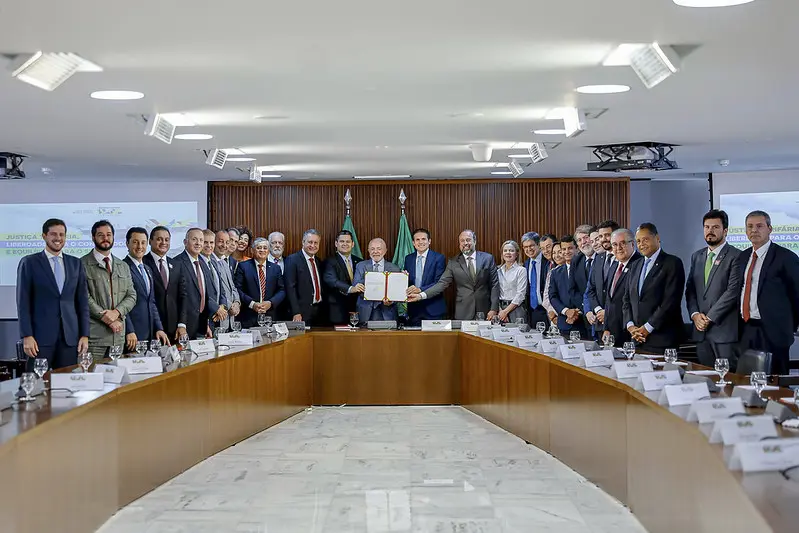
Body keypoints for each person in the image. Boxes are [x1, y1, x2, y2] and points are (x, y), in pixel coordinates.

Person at [16, 218, 89, 370]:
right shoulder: (29, 263)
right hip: (39, 339)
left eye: (62, 234)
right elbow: (23, 302)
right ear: (44, 236)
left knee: (66, 382)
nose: (58, 238)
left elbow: (82, 302)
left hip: (69, 338)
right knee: (36, 382)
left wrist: (84, 335)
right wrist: (27, 335)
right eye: (53, 234)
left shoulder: (76, 264)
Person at [735, 210, 799, 375]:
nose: (754, 230)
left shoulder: (786, 257)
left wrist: (790, 326)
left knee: (776, 381)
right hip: (747, 328)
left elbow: (796, 295)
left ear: (770, 229)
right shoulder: (743, 257)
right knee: (747, 379)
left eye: (759, 226)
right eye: (750, 226)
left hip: (774, 331)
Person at [685, 210, 742, 368]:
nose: (710, 231)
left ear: (725, 231)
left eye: (715, 227)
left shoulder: (736, 255)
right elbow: (690, 290)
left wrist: (709, 318)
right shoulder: (697, 256)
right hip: (700, 333)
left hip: (724, 333)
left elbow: (732, 292)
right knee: (707, 378)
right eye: (707, 227)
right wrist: (695, 315)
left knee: (728, 378)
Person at [623, 223, 686, 354]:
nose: (641, 244)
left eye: (645, 239)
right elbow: (627, 299)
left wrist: (647, 328)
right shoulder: (635, 265)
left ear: (657, 238)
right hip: (637, 338)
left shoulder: (672, 263)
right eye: (638, 241)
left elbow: (670, 302)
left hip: (662, 339)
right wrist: (631, 326)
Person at [408, 230, 499, 321]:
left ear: (474, 241)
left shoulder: (487, 258)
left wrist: (494, 308)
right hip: (463, 311)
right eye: (462, 241)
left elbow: (494, 284)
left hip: (485, 309)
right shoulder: (453, 262)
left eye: (468, 240)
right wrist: (421, 296)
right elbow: (442, 283)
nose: (465, 243)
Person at [81, 220, 137, 360]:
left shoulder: (123, 265)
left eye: (109, 234)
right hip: (94, 339)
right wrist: (107, 319)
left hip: (118, 337)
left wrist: (117, 312)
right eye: (101, 235)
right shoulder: (82, 264)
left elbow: (131, 295)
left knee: (117, 374)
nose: (105, 238)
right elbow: (83, 296)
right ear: (93, 237)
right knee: (92, 372)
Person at [123, 227, 170, 351]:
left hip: (149, 334)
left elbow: (151, 302)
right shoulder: (122, 267)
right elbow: (120, 302)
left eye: (143, 242)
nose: (140, 246)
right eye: (135, 242)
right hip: (132, 336)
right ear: (127, 243)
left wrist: (159, 328)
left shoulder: (147, 269)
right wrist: (129, 330)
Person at [174, 228, 223, 340]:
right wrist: (181, 324)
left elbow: (205, 295)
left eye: (201, 240)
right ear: (185, 242)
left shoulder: (203, 264)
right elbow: (177, 297)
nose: (198, 243)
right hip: (183, 326)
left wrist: (206, 323)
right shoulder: (177, 263)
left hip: (202, 326)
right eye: (194, 239)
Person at [601, 229, 641, 346]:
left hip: (632, 332)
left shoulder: (639, 264)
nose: (618, 248)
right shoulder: (614, 265)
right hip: (613, 332)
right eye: (614, 244)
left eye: (622, 243)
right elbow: (609, 300)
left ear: (632, 244)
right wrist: (607, 327)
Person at [234, 237, 286, 327]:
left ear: (268, 251)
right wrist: (252, 304)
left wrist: (271, 303)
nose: (262, 250)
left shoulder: (275, 268)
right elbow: (237, 289)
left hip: (269, 317)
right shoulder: (243, 266)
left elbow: (282, 290)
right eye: (259, 248)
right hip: (248, 317)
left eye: (265, 248)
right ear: (252, 250)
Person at [350, 238, 402, 324]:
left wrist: (391, 301)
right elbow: (355, 284)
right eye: (372, 249)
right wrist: (359, 286)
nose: (375, 251)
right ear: (368, 250)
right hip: (365, 312)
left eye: (379, 248)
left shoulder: (395, 268)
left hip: (387, 312)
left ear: (385, 251)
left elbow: (398, 292)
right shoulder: (360, 266)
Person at [143, 226, 179, 339]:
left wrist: (182, 324)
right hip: (150, 327)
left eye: (167, 240)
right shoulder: (142, 263)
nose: (163, 242)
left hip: (174, 329)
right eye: (159, 239)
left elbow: (183, 296)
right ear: (150, 241)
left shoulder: (176, 264)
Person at [404, 228, 446, 326]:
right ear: (413, 243)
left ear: (429, 241)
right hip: (414, 310)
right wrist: (403, 278)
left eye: (423, 239)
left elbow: (439, 283)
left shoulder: (439, 258)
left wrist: (420, 290)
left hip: (433, 308)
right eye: (417, 240)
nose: (420, 242)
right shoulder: (408, 258)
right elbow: (409, 283)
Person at [284, 229, 327, 326]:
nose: (313, 245)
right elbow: (290, 288)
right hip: (301, 313)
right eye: (310, 242)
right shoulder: (292, 260)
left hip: (319, 312)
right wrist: (296, 312)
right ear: (303, 242)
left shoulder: (318, 261)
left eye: (316, 243)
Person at [585, 220, 621, 336]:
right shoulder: (598, 259)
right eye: (600, 236)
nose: (603, 239)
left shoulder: (624, 259)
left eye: (607, 235)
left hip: (619, 324)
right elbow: (591, 290)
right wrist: (598, 310)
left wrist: (608, 313)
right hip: (599, 323)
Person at [323, 230, 363, 325]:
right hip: (337, 310)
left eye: (348, 241)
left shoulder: (360, 261)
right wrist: (351, 288)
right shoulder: (329, 261)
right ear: (336, 244)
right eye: (342, 241)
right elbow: (332, 281)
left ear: (353, 244)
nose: (345, 244)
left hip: (357, 310)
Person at [549, 234, 585, 337]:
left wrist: (577, 313)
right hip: (564, 323)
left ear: (577, 249)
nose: (566, 252)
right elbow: (553, 296)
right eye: (563, 249)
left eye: (570, 248)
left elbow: (588, 294)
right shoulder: (555, 272)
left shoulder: (585, 268)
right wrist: (566, 311)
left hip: (584, 323)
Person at [200, 229, 230, 330]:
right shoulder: (197, 263)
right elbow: (201, 292)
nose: (209, 245)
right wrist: (216, 308)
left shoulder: (214, 262)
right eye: (205, 242)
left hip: (216, 318)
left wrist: (223, 307)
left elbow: (222, 290)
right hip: (203, 317)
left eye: (211, 242)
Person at [212, 230, 242, 330]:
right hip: (218, 316)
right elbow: (215, 292)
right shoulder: (209, 262)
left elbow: (232, 287)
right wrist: (230, 306)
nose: (224, 245)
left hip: (230, 319)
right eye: (221, 241)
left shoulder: (224, 262)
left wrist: (237, 303)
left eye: (227, 242)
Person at [521, 232, 550, 328]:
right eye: (525, 247)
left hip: (547, 309)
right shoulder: (525, 264)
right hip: (531, 311)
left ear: (538, 245)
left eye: (531, 245)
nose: (529, 249)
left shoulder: (548, 261)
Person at [496, 240, 528, 324]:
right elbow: (495, 292)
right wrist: (501, 311)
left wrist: (505, 311)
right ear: (502, 254)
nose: (508, 253)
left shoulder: (521, 270)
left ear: (517, 254)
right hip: (500, 309)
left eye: (511, 250)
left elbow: (520, 294)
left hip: (516, 309)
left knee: (518, 331)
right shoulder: (498, 271)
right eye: (505, 250)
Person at [542, 241, 563, 324]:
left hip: (568, 314)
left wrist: (562, 311)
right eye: (554, 253)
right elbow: (546, 295)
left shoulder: (573, 270)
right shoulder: (552, 272)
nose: (556, 256)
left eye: (559, 252)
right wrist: (552, 312)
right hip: (552, 315)